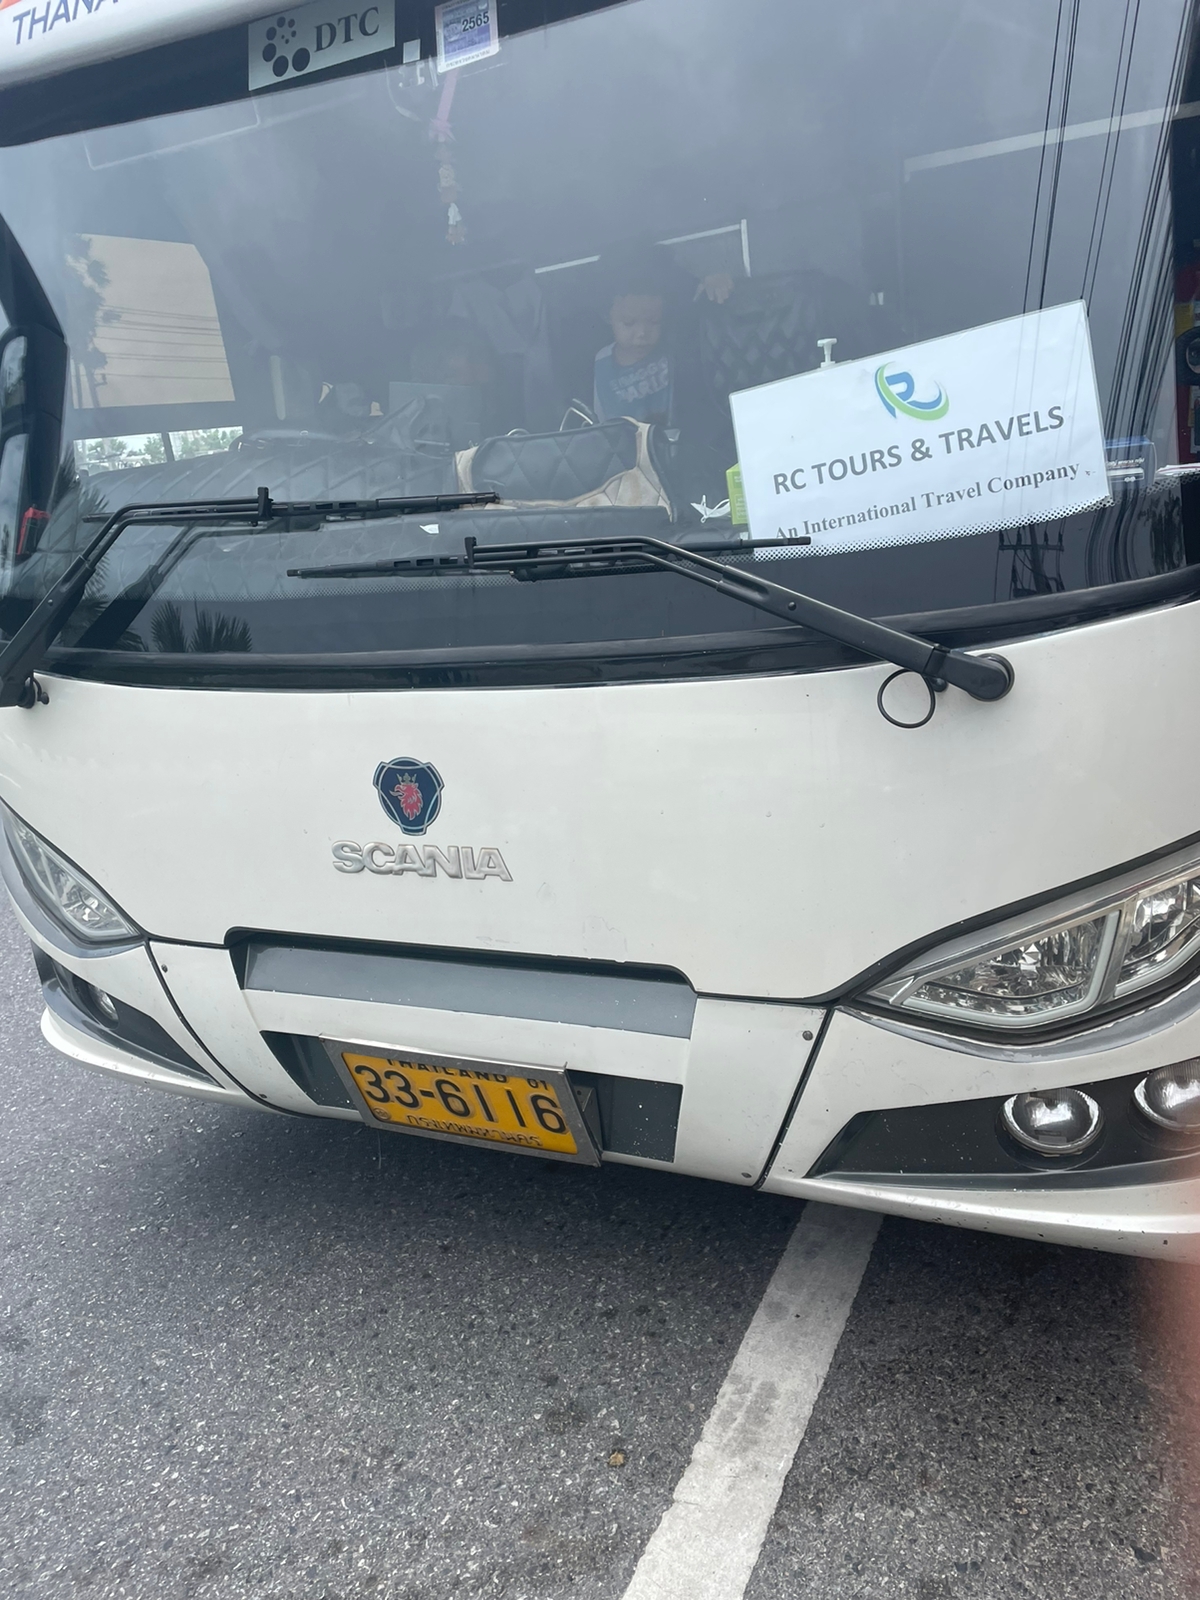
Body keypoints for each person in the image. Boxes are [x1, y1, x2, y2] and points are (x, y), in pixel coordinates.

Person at [592, 255, 732, 426]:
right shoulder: (602, 363)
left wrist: (712, 281)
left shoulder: (676, 344)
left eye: (654, 321)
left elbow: (697, 302)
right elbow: (600, 427)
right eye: (629, 323)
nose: (642, 333)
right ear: (606, 316)